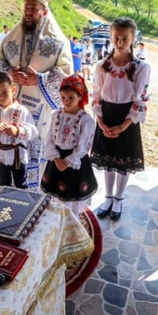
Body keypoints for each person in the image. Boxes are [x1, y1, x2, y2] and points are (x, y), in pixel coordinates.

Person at [0, 0, 73, 188]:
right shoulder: (12, 37)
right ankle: (10, 190)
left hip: (40, 110)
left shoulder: (58, 42)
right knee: (10, 154)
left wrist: (40, 79)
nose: (28, 13)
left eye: (33, 9)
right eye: (25, 9)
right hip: (12, 106)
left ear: (44, 11)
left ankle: (34, 194)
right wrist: (9, 73)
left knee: (35, 159)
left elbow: (68, 76)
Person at [91, 17, 150, 221]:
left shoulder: (141, 68)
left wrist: (123, 126)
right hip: (106, 116)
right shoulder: (101, 66)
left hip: (127, 119)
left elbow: (140, 100)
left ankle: (118, 199)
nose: (120, 42)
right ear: (111, 37)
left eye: (125, 38)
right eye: (116, 37)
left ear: (133, 38)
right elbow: (96, 95)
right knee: (108, 160)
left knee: (122, 162)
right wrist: (101, 122)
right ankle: (107, 197)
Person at [40, 74, 97, 216]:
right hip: (57, 159)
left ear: (80, 96)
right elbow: (49, 139)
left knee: (72, 195)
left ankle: (73, 223)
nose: (66, 101)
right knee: (56, 193)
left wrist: (68, 161)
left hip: (73, 162)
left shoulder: (85, 120)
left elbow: (83, 146)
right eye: (63, 97)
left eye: (71, 97)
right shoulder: (56, 114)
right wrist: (56, 158)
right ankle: (57, 220)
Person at [0, 72, 38, 188]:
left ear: (13, 90)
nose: (1, 97)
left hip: (17, 156)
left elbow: (33, 131)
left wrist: (17, 131)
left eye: (5, 92)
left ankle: (21, 204)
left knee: (21, 184)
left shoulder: (22, 111)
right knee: (3, 184)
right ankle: (5, 204)